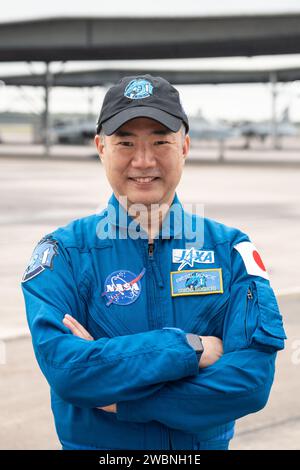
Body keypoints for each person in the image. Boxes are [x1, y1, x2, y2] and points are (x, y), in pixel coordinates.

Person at [21, 74, 286, 450]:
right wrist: (190, 348)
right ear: (101, 147)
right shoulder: (63, 254)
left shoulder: (230, 250)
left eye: (160, 142)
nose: (143, 161)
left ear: (185, 147)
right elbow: (69, 371)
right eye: (125, 142)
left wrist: (124, 401)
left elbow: (251, 381)